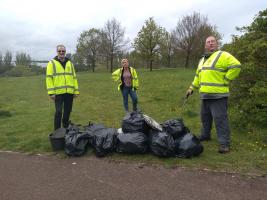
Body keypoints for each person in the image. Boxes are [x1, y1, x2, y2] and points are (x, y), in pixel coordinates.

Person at [186, 36, 241, 154]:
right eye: (208, 42)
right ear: (205, 45)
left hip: (219, 96)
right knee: (205, 118)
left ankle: (224, 144)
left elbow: (236, 66)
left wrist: (226, 79)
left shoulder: (223, 55)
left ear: (217, 44)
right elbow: (197, 76)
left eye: (212, 42)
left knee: (220, 120)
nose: (210, 44)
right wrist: (191, 88)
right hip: (205, 96)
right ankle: (206, 135)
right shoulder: (202, 60)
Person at [46, 44, 79, 130]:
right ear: (57, 52)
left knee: (67, 111)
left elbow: (74, 78)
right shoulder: (51, 63)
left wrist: (76, 91)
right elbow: (49, 78)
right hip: (58, 93)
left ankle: (65, 127)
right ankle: (57, 130)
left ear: (65, 52)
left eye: (63, 51)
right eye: (59, 51)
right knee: (59, 111)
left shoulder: (70, 64)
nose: (61, 52)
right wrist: (51, 92)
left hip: (69, 92)